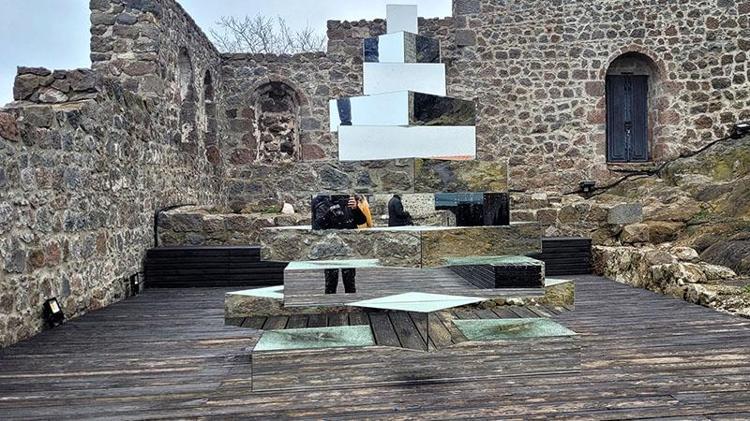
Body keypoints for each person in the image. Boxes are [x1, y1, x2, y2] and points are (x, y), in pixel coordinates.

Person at [310, 194, 368, 294]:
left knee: (349, 280)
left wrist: (355, 208)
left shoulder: (349, 203)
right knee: (331, 281)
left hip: (348, 246)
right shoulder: (323, 204)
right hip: (330, 247)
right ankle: (330, 301)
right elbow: (317, 226)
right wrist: (329, 213)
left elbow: (361, 221)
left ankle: (350, 301)